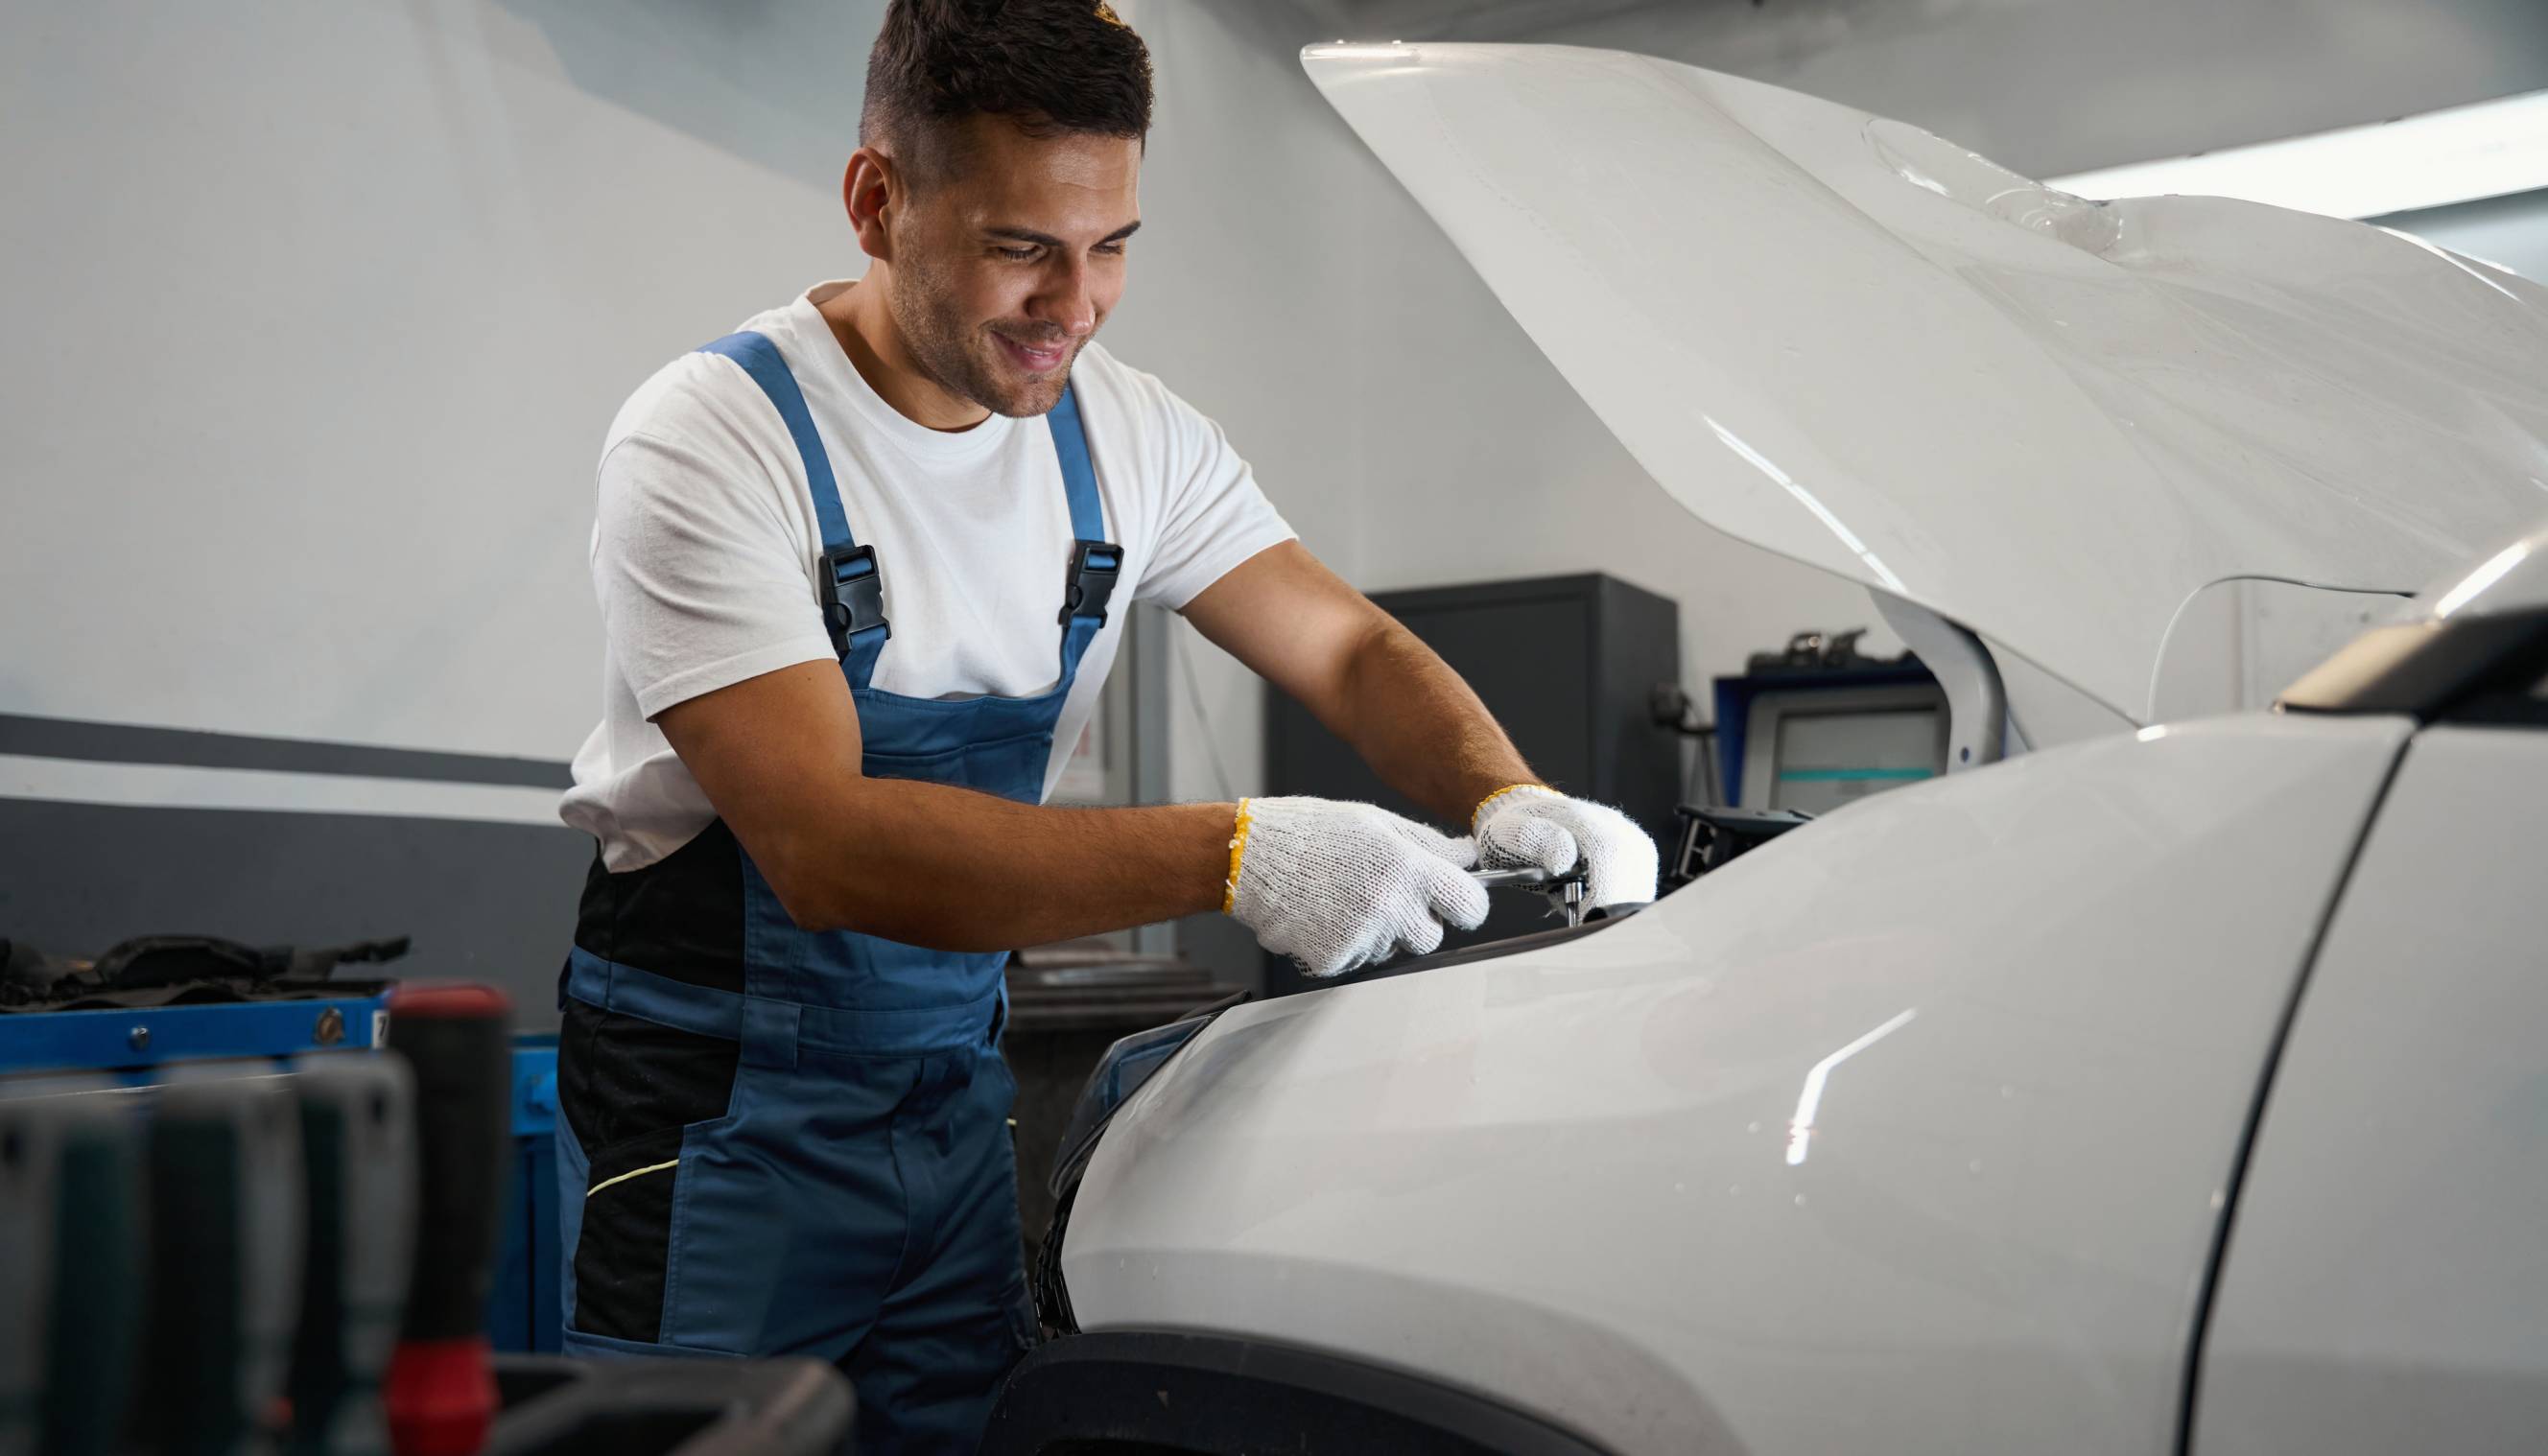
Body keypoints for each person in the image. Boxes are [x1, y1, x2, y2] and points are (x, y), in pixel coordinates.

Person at [551, 1, 1659, 1448]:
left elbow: (1347, 644)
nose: (1074, 303)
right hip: (720, 1115)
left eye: (1113, 246)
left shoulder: (1128, 437)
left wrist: (1506, 793)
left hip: (947, 1097)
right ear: (879, 203)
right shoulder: (717, 438)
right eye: (1024, 247)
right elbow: (825, 846)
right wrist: (1239, 853)